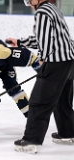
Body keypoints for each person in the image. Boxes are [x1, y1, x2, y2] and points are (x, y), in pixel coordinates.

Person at [7, 0, 74, 154]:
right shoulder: (53, 8)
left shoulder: (42, 12)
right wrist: (20, 42)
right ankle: (68, 132)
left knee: (39, 101)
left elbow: (44, 41)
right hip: (69, 61)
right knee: (62, 100)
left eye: (29, 0)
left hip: (55, 61)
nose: (28, 3)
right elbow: (47, 37)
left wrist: (43, 58)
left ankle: (31, 140)